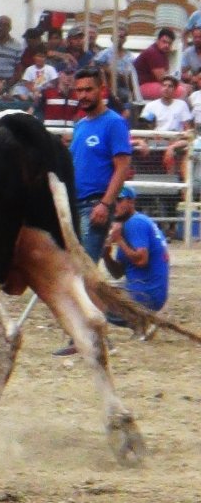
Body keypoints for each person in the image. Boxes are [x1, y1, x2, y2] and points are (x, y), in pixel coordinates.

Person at [70, 66, 132, 263]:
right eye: (79, 90)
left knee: (85, 269)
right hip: (76, 204)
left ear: (102, 90)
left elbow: (122, 167)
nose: (83, 95)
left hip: (94, 205)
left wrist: (105, 204)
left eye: (89, 89)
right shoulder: (80, 125)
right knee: (76, 268)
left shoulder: (114, 123)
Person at [102, 187, 169, 321]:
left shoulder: (135, 223)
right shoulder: (133, 223)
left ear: (131, 202)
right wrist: (106, 255)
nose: (115, 204)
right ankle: (143, 321)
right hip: (150, 293)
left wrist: (119, 239)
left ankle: (143, 320)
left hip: (145, 294)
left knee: (93, 305)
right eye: (113, 200)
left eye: (119, 200)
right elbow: (118, 273)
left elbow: (141, 260)